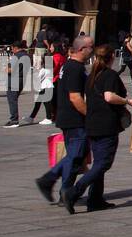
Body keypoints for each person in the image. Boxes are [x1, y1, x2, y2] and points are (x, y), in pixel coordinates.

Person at [62, 44, 132, 213]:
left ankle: (95, 199)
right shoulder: (109, 75)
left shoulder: (92, 75)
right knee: (103, 163)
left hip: (92, 123)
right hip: (106, 124)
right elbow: (109, 96)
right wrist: (128, 102)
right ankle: (74, 192)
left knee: (98, 162)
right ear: (112, 57)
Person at [35, 35, 93, 205]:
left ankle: (64, 192)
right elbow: (75, 97)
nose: (93, 50)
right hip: (74, 118)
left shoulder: (69, 65)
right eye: (91, 47)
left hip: (66, 116)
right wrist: (90, 116)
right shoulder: (75, 68)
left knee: (76, 157)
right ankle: (48, 180)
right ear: (82, 49)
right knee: (76, 155)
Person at [23, 43, 56, 125]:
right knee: (39, 102)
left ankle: (48, 118)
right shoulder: (50, 69)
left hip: (46, 88)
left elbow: (37, 78)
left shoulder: (44, 70)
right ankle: (32, 117)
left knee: (46, 103)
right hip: (48, 87)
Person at [3, 40, 29, 127]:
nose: (12, 50)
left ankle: (14, 120)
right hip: (22, 79)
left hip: (14, 80)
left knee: (12, 100)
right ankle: (14, 119)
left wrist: (6, 67)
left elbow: (9, 70)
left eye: (12, 49)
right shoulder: (27, 55)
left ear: (15, 48)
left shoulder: (16, 56)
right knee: (14, 99)